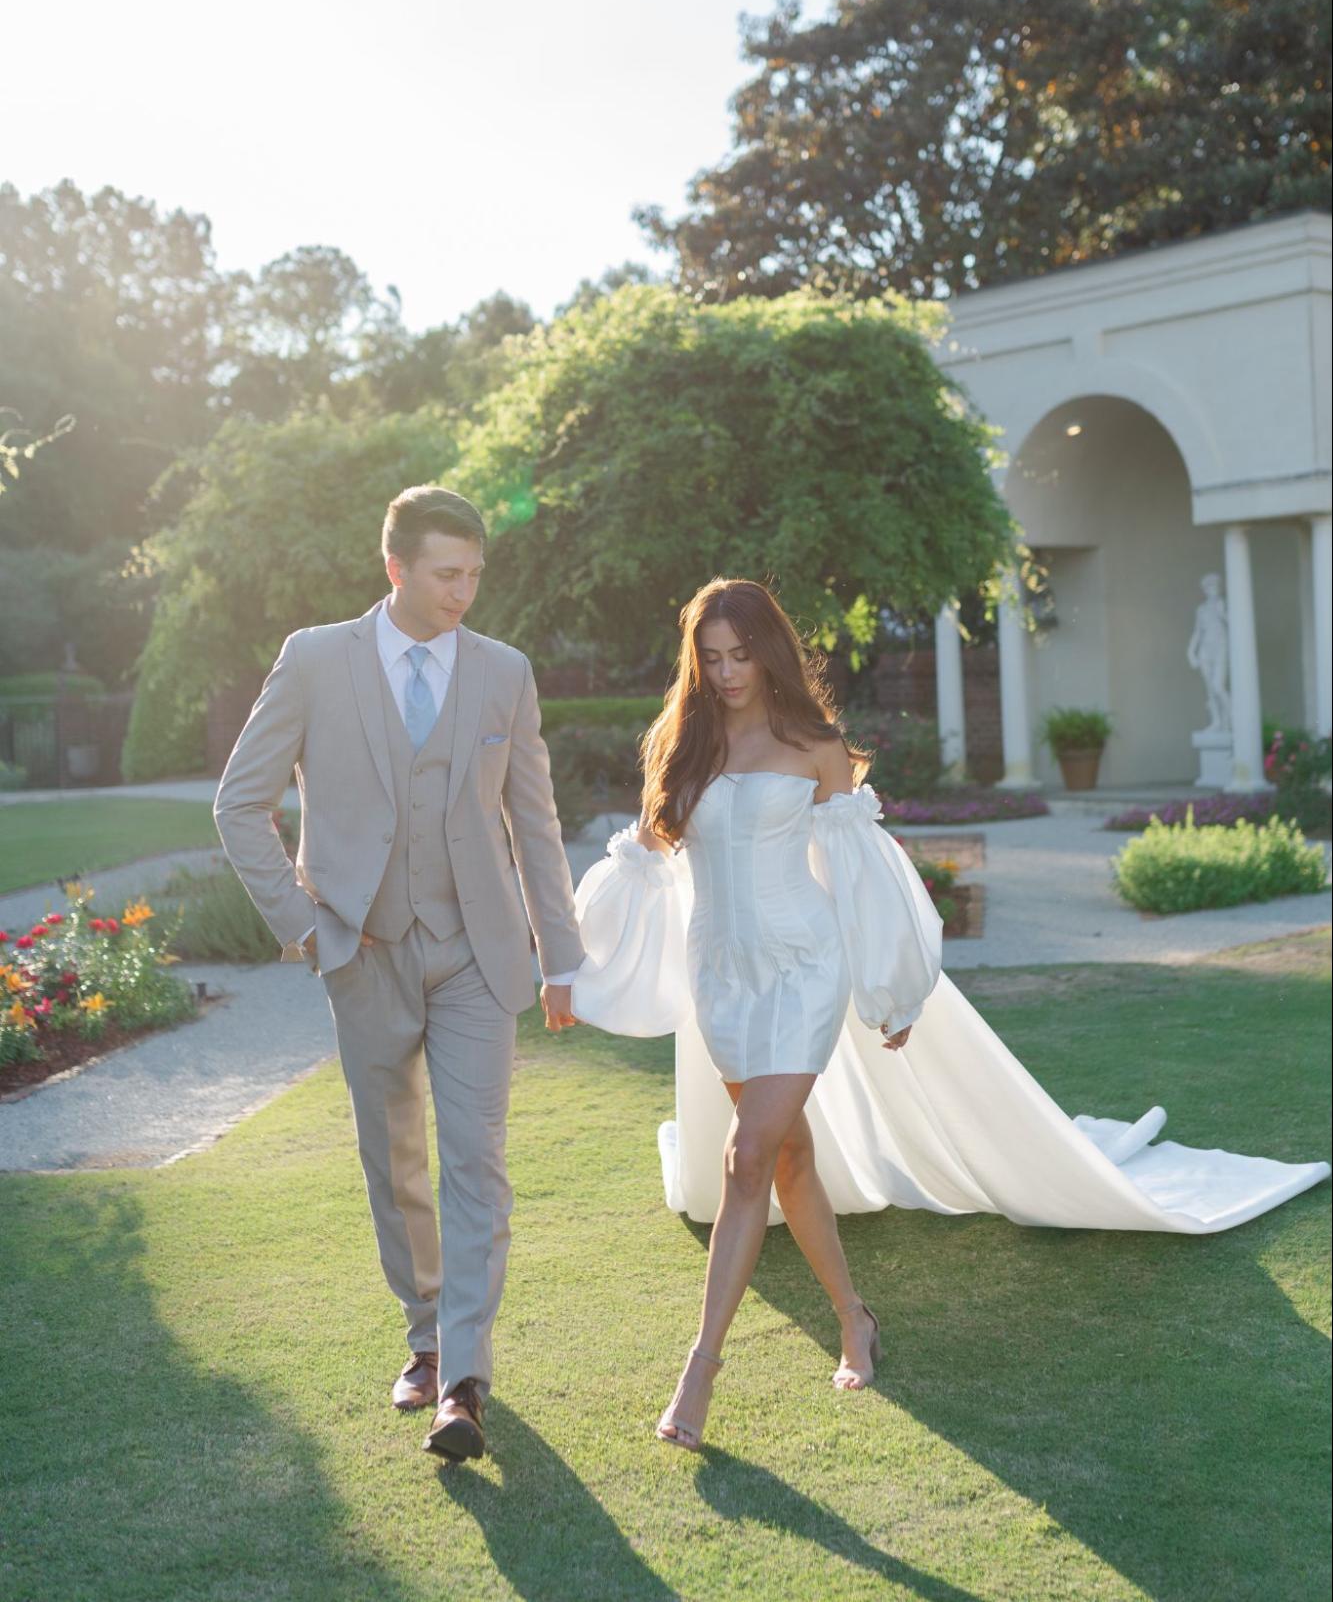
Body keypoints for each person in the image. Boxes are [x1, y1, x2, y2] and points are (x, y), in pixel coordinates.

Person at [568, 578, 1331, 1451]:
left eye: (741, 654)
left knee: (745, 1156)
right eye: (711, 657)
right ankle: (856, 1317)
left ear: (768, 650)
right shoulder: (683, 742)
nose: (728, 670)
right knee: (787, 1158)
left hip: (802, 966)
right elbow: (642, 858)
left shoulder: (814, 745)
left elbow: (860, 873)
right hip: (723, 975)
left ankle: (699, 1368)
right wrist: (571, 958)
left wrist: (891, 987)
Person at [214, 485, 582, 1464]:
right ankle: (422, 1337)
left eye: (474, 574)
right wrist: (306, 923)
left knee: (477, 1164)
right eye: (445, 574)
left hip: (475, 951)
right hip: (362, 951)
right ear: (396, 568)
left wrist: (561, 955)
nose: (465, 592)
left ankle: (462, 1379)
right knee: (396, 1163)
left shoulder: (504, 671)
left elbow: (533, 823)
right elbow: (238, 805)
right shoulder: (315, 659)